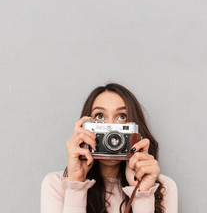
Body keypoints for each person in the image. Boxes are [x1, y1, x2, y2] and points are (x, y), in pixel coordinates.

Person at [41, 83, 178, 213]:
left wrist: (142, 193)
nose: (111, 129)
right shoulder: (56, 184)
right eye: (100, 116)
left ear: (136, 128)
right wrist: (76, 183)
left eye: (122, 116)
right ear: (85, 127)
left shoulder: (163, 187)